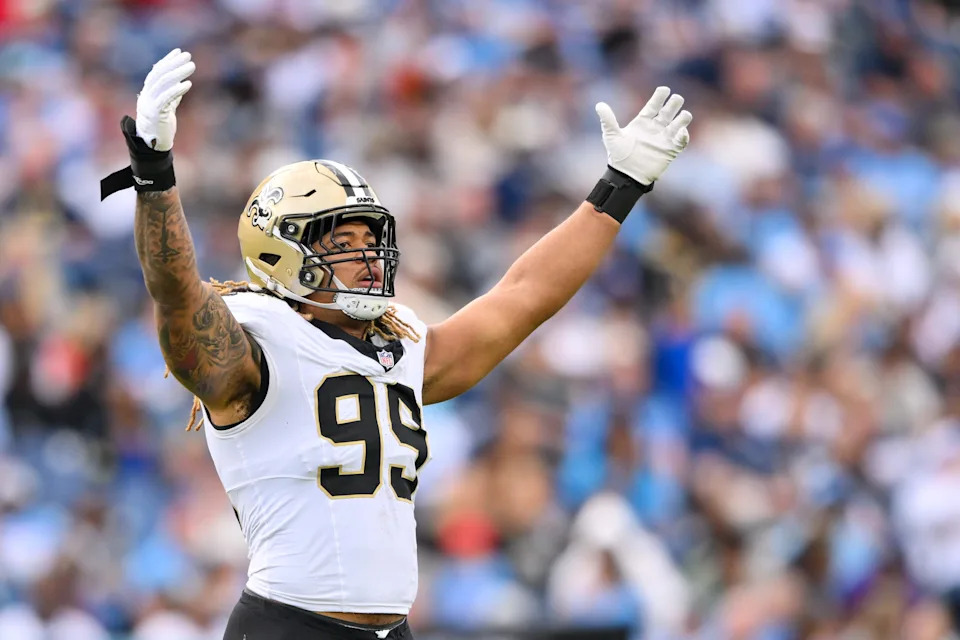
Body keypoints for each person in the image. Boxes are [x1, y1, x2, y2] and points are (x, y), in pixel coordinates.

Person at [101, 48, 693, 640]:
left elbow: (522, 298)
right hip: (290, 626)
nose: (366, 256)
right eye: (342, 241)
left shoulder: (402, 349)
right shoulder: (255, 341)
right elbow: (177, 297)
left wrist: (619, 187)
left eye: (370, 236)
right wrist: (153, 174)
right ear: (281, 254)